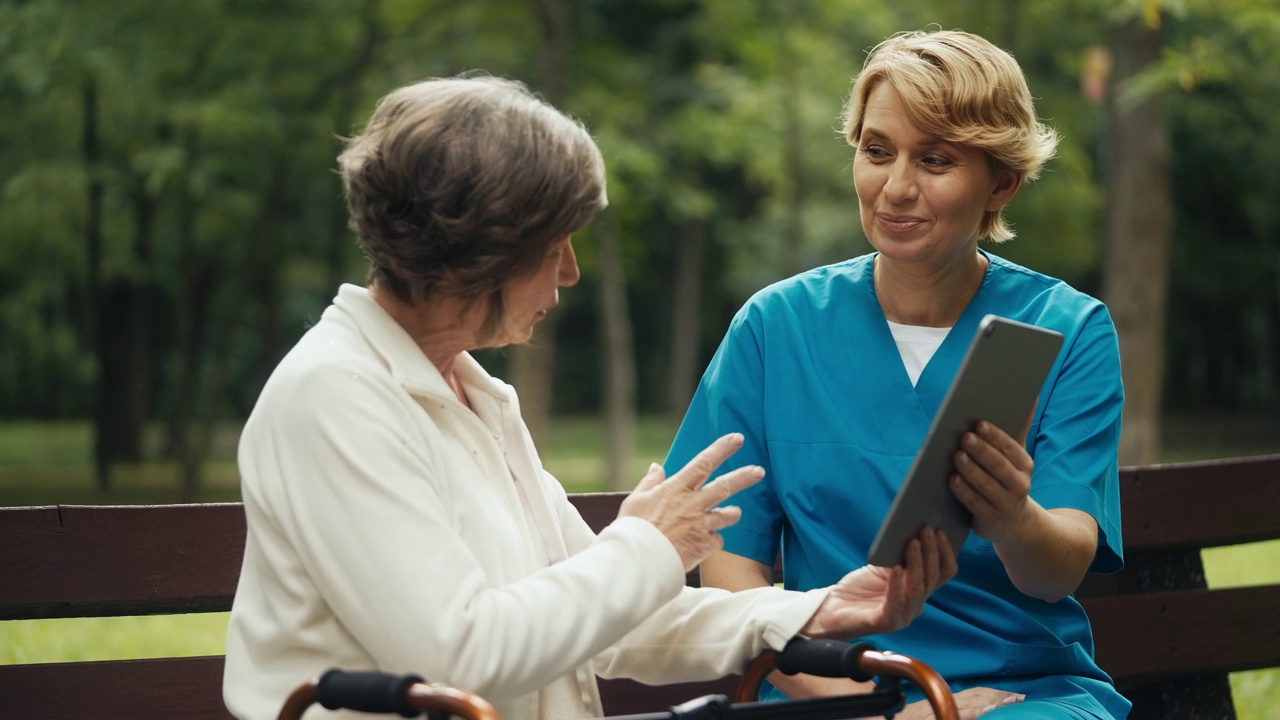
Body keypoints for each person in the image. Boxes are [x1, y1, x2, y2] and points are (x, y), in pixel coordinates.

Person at [222, 74, 957, 720]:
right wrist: (647, 543)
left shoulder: (473, 396)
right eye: (554, 246)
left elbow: (614, 618)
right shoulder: (333, 396)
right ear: (484, 251)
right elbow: (464, 654)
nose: (570, 273)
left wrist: (812, 608)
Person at [663, 30, 1129, 720]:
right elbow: (731, 569)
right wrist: (874, 712)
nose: (896, 188)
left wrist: (1010, 516)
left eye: (936, 161)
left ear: (1001, 182)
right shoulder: (774, 329)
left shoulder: (1068, 330)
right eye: (877, 152)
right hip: (827, 691)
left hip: (1021, 693)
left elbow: (1056, 570)